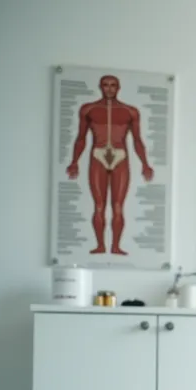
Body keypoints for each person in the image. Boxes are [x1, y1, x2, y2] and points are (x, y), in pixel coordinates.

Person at [66, 74, 154, 256]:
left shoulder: (130, 111)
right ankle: (100, 245)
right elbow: (80, 138)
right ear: (100, 87)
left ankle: (115, 246)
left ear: (118, 87)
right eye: (105, 85)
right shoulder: (88, 109)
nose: (109, 88)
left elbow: (137, 140)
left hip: (120, 156)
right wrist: (74, 161)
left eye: (113, 85)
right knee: (98, 205)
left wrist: (145, 163)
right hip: (97, 155)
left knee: (118, 206)